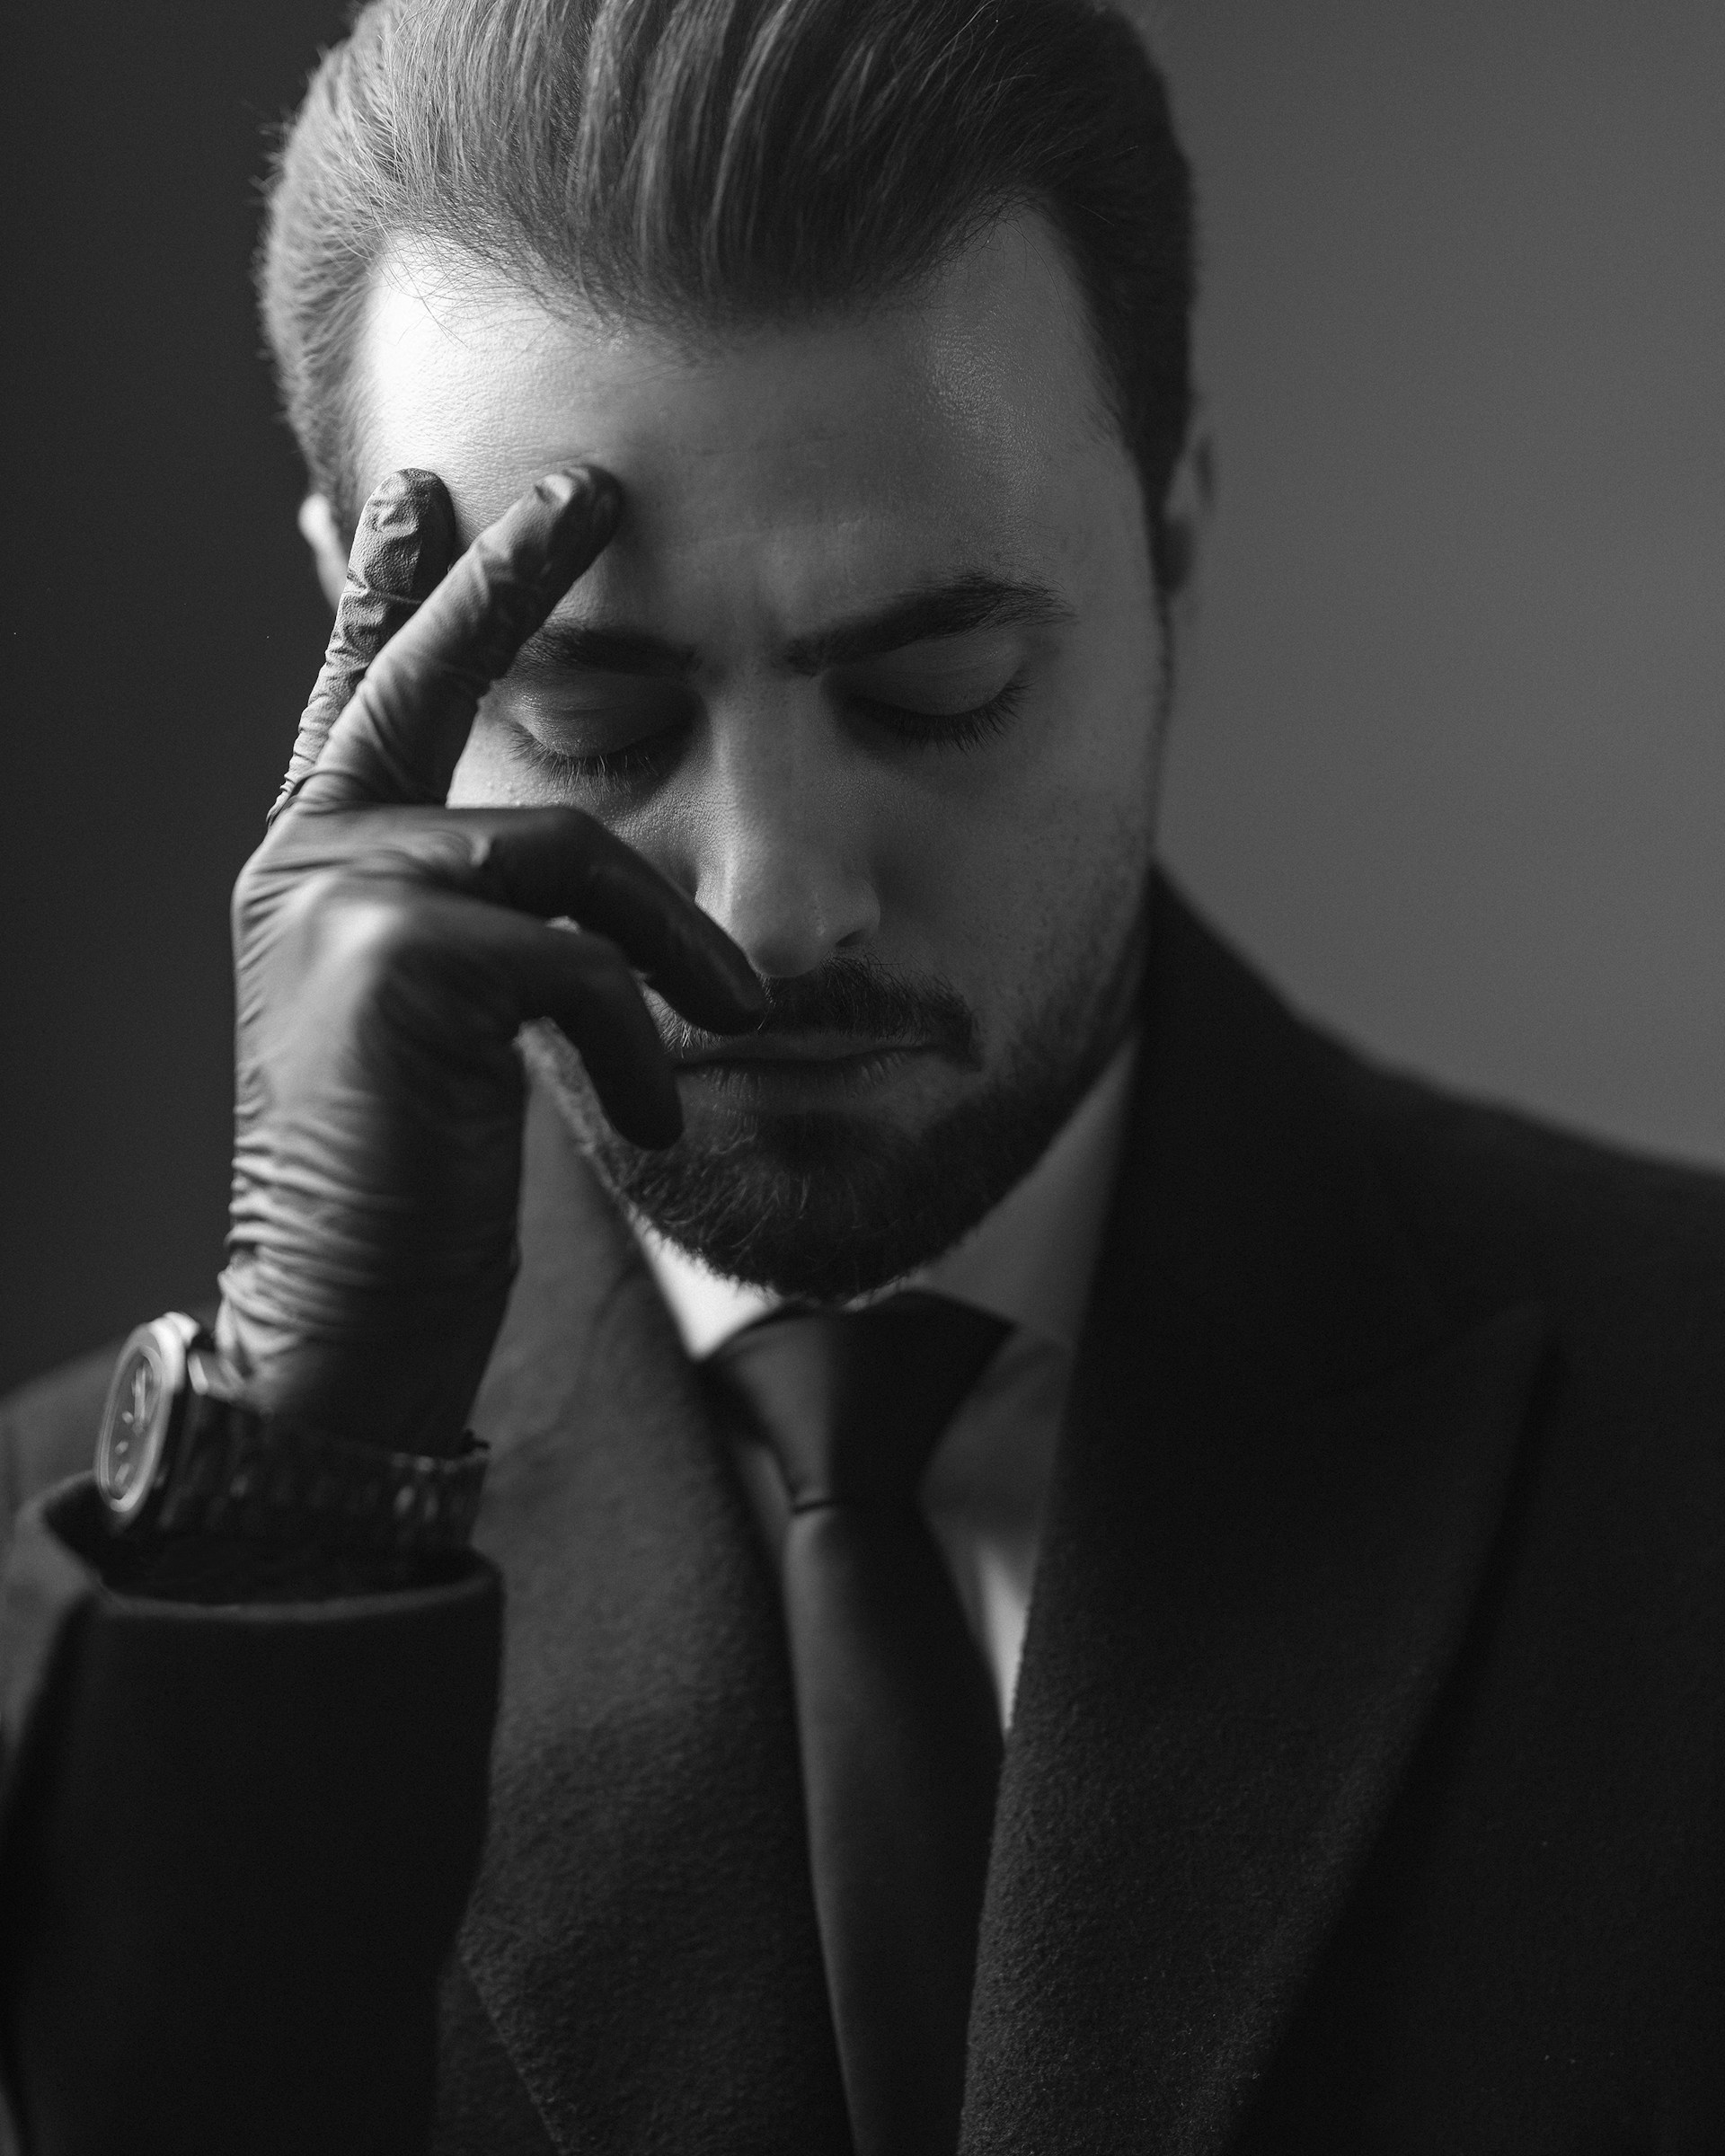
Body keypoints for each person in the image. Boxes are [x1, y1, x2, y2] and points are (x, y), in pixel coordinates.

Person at [1, 0, 1720, 2150]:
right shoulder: (81, 1624)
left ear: (1177, 533)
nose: (780, 902)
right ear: (359, 648)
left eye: (936, 685)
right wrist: (297, 1504)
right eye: (592, 715)